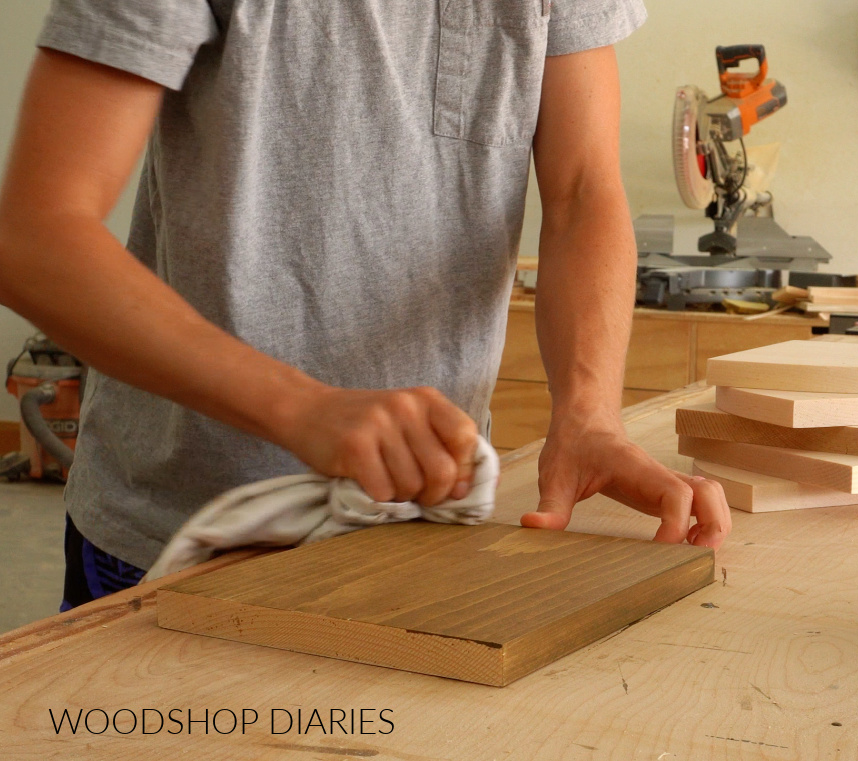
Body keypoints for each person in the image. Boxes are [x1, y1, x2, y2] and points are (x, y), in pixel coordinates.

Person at [0, 0, 732, 609]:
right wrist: (303, 408)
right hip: (185, 531)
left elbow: (581, 192)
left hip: (426, 526)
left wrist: (589, 415)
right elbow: (33, 237)